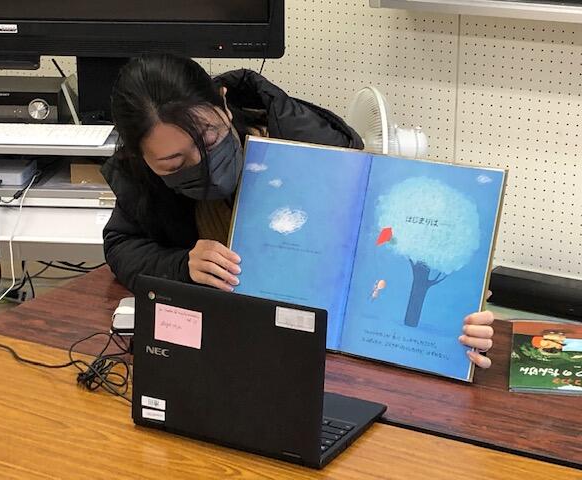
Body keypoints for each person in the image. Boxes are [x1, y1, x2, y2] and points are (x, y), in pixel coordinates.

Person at [102, 54, 494, 368]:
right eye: (174, 163)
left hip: (332, 355)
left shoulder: (315, 150)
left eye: (208, 137)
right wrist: (181, 266)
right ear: (141, 157)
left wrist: (452, 323)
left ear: (223, 102)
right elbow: (122, 244)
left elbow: (374, 256)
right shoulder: (143, 178)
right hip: (230, 351)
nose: (201, 163)